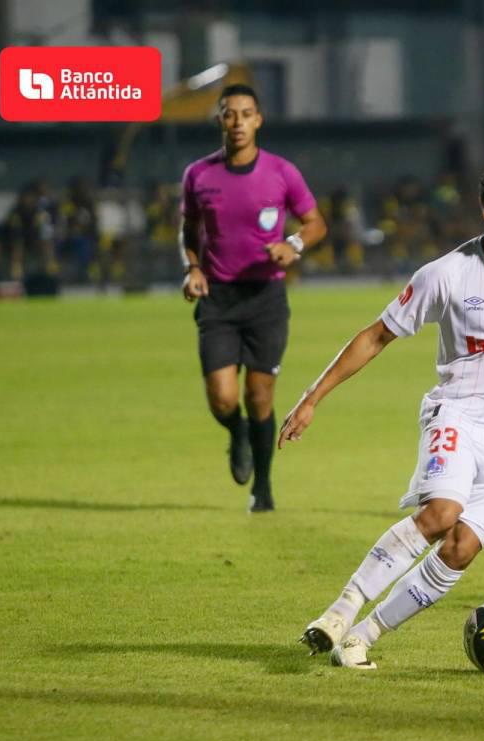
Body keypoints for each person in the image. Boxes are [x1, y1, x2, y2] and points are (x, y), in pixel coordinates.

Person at [279, 164, 484, 670]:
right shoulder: (446, 274)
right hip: (460, 417)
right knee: (442, 515)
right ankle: (341, 611)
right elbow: (377, 334)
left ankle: (361, 637)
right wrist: (314, 396)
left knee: (462, 547)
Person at [180, 83, 327, 512]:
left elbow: (315, 223)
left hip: (266, 297)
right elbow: (189, 230)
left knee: (259, 397)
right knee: (224, 399)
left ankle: (262, 488)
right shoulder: (199, 175)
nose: (238, 121)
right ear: (220, 121)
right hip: (219, 298)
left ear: (258, 120)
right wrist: (191, 267)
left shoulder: (281, 172)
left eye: (246, 113)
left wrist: (293, 246)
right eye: (230, 114)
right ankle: (236, 432)